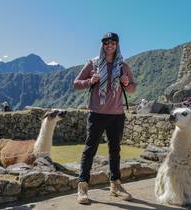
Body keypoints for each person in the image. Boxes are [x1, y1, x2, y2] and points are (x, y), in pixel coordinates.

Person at [73, 32, 137, 204]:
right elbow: (76, 83)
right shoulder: (93, 63)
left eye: (113, 43)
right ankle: (83, 186)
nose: (110, 46)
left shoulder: (123, 66)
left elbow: (132, 89)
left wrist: (126, 83)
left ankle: (115, 185)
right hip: (96, 113)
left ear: (117, 45)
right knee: (90, 149)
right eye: (107, 43)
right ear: (102, 44)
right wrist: (90, 81)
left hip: (117, 115)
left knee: (115, 151)